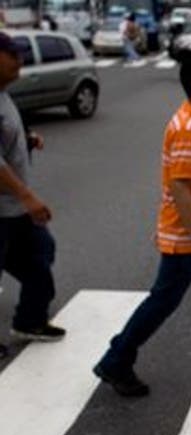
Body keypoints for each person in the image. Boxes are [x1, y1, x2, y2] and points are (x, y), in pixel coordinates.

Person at [93, 50, 191, 397]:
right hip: (189, 241)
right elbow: (179, 187)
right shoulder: (186, 129)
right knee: (162, 303)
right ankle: (116, 359)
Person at [0, 32, 65, 342]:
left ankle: (29, 320)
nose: (20, 59)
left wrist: (26, 141)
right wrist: (28, 197)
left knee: (42, 253)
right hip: (6, 208)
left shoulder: (3, 94)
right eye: (12, 54)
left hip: (13, 209)